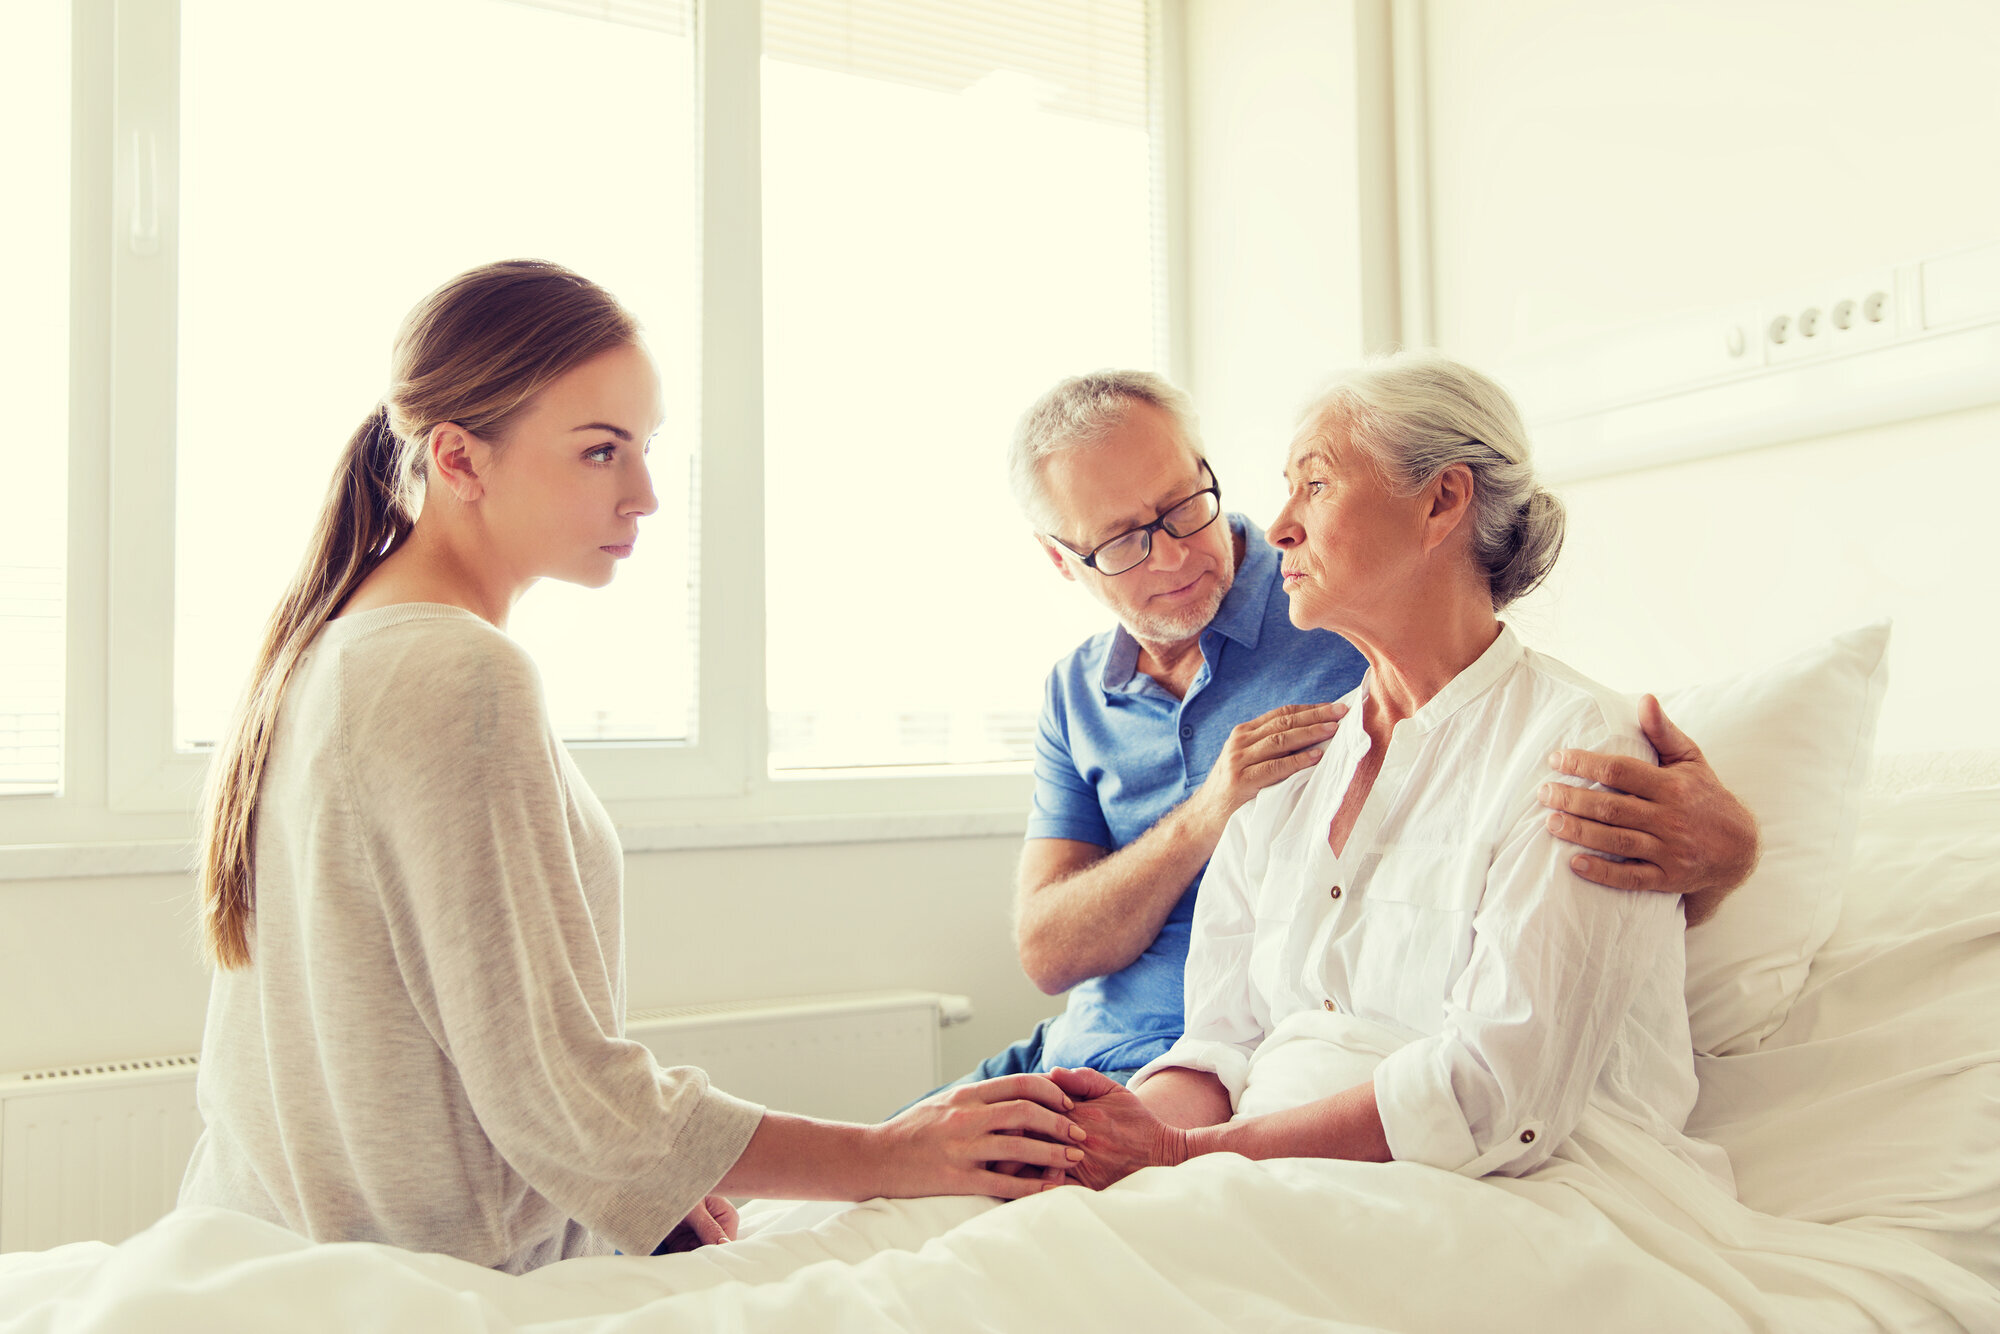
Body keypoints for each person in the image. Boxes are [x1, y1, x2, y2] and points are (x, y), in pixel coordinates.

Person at [177, 260, 1085, 1274]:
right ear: (459, 459)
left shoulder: (335, 645)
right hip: (430, 1275)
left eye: (644, 448)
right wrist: (890, 1152)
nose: (646, 493)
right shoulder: (456, 672)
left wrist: (655, 1185)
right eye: (600, 451)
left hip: (278, 1250)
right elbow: (559, 1089)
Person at [1045, 350, 1734, 1190]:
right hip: (1260, 1172)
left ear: (1442, 500)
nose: (1278, 526)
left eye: (1317, 484)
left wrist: (1184, 1158)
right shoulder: (1287, 764)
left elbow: (1495, 1099)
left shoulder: (1581, 751)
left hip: (1504, 1193)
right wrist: (1116, 1139)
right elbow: (1219, 1043)